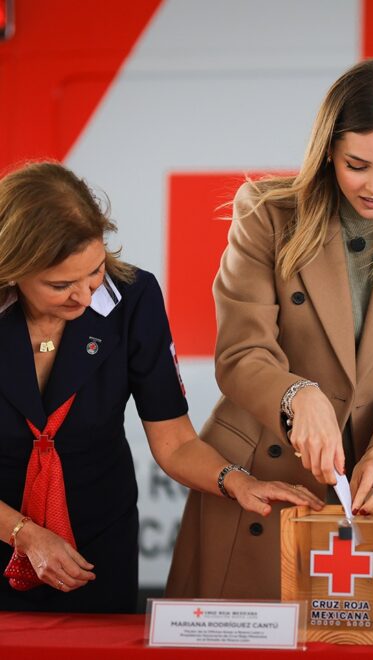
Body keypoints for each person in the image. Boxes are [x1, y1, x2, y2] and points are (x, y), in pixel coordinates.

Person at [166, 58, 373, 619]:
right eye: (357, 165)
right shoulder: (267, 213)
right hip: (266, 473)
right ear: (328, 149)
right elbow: (242, 352)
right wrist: (297, 395)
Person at [0, 161, 323, 613]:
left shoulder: (134, 297)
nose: (86, 296)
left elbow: (175, 442)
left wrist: (238, 482)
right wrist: (24, 534)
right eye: (61, 285)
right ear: (14, 269)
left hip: (95, 538)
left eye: (94, 272)